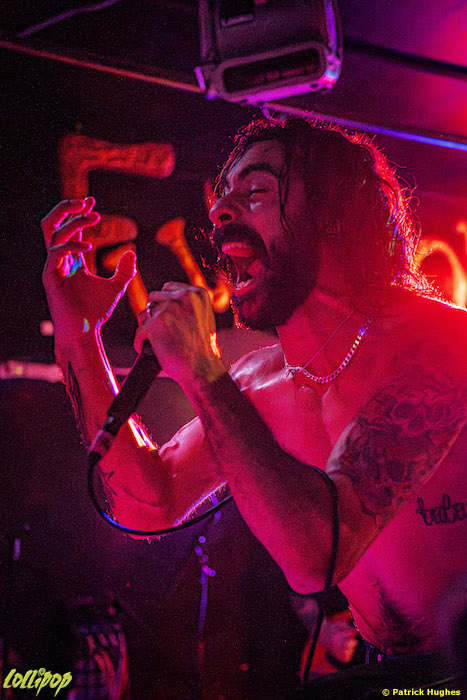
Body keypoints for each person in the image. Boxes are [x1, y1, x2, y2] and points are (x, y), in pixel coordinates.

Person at [42, 117, 467, 669]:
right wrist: (79, 339)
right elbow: (146, 504)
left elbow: (318, 555)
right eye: (223, 195)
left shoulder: (440, 345)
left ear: (334, 211)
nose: (220, 209)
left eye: (257, 190)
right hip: (385, 671)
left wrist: (203, 374)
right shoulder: (259, 382)